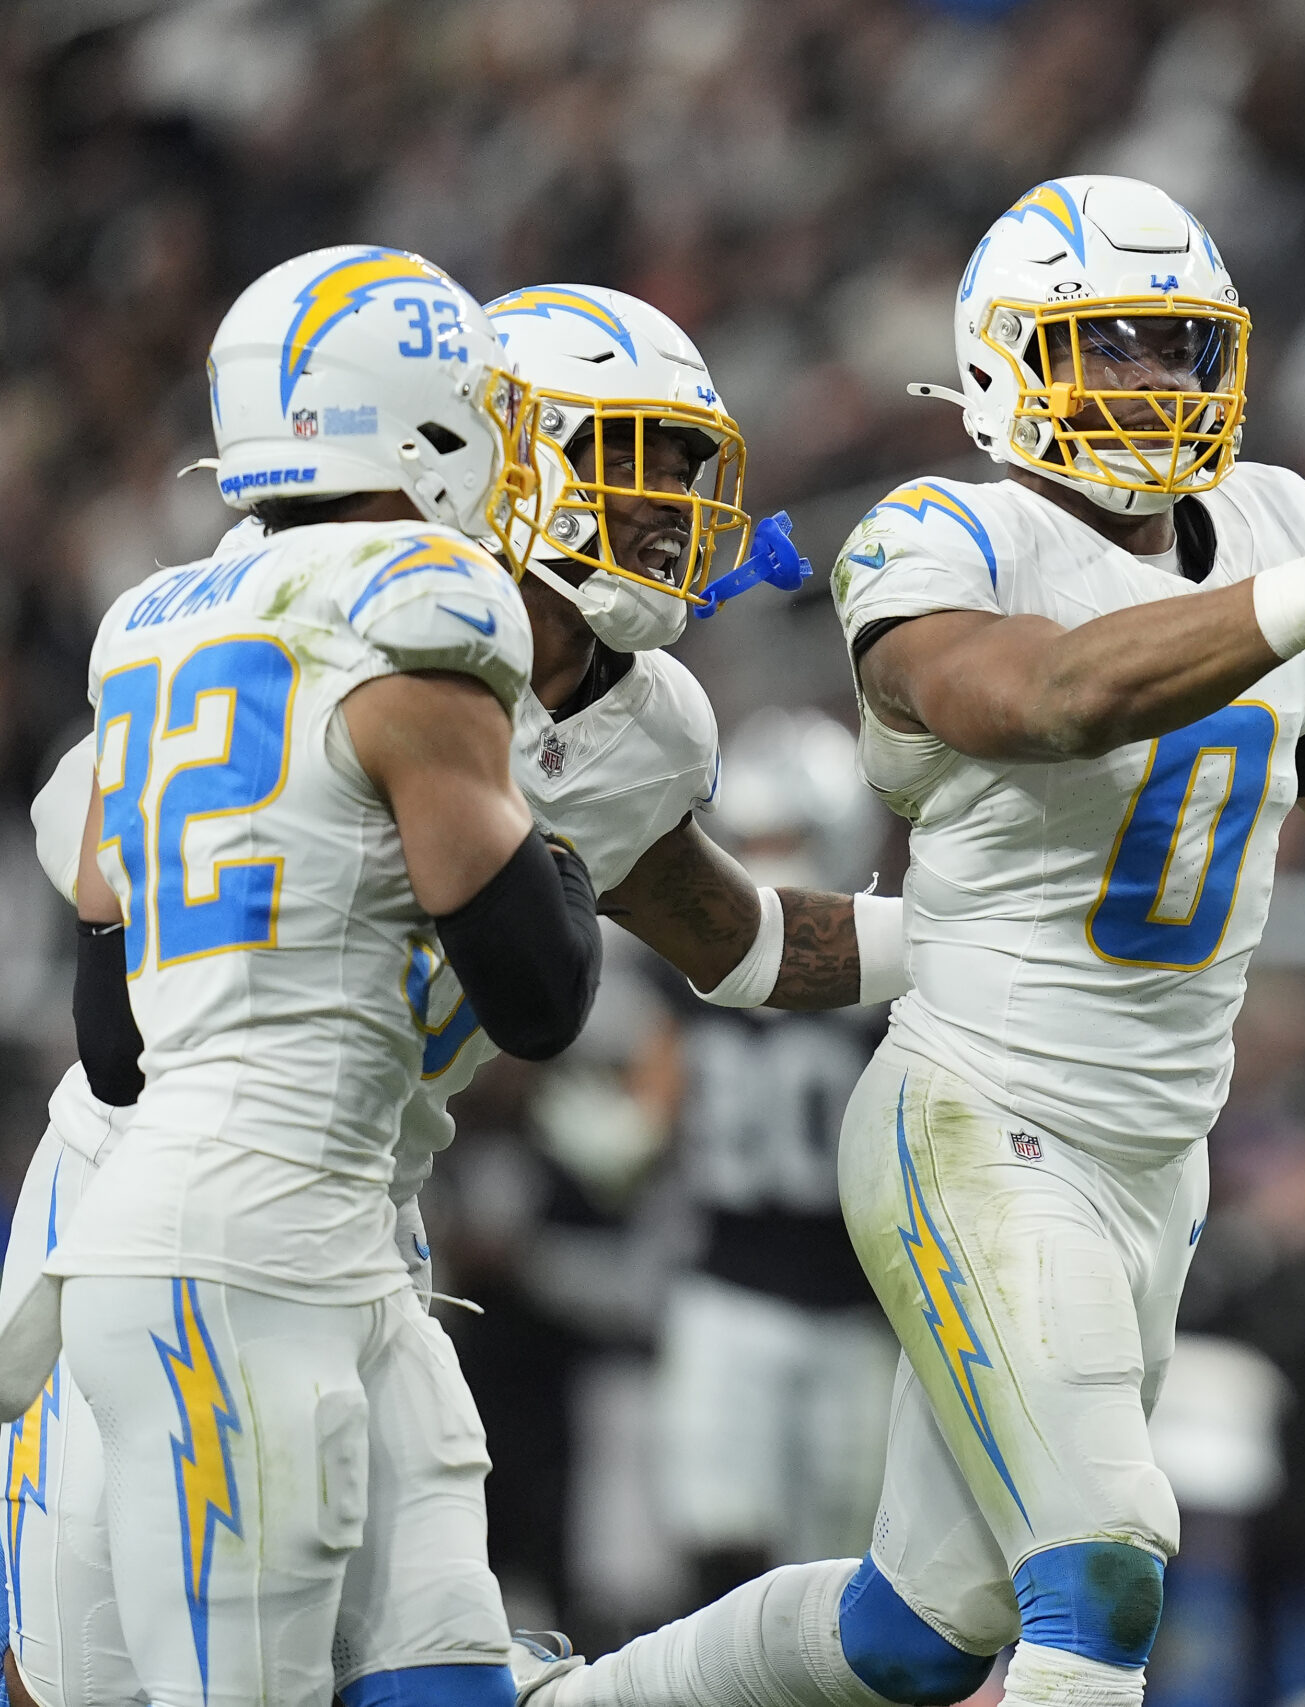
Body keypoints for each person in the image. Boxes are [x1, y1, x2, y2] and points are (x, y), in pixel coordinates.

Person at [513, 173, 1305, 1707]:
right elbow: (1053, 697)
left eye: (1172, 349)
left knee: (919, 1628)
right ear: (1005, 360)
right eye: (1106, 347)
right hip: (980, 1112)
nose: (1148, 385)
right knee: (1107, 1557)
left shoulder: (1276, 522)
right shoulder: (942, 536)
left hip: (1161, 1154)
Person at [0, 270, 909, 1707]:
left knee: (433, 1666)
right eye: (630, 451)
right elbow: (116, 1033)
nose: (672, 498)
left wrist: (984, 941)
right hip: (167, 1194)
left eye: (685, 461)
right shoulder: (323, 625)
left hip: (352, 1211)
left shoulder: (636, 719)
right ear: (493, 443)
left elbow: (739, 938)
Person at [648, 708, 902, 1603]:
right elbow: (652, 1112)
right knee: (720, 1545)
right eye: (752, 836)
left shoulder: (895, 968)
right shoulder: (688, 958)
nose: (769, 855)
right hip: (727, 1287)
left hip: (857, 1305)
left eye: (787, 833)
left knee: (843, 1565)